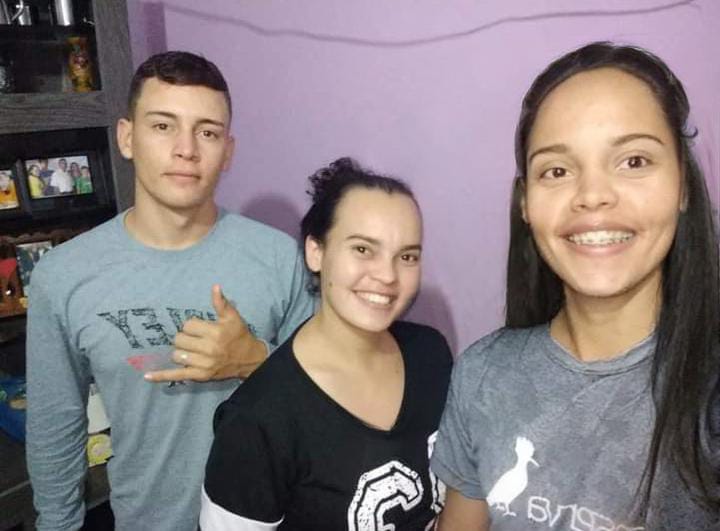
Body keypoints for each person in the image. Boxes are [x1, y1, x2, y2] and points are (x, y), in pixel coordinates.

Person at [431, 42, 719, 530]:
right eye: (557, 171)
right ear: (526, 203)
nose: (592, 195)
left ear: (683, 186)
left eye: (633, 161)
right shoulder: (483, 375)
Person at [25, 51, 314, 531]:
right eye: (163, 126)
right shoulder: (63, 276)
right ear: (127, 137)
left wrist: (256, 360)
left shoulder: (279, 258)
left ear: (228, 151)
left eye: (208, 132)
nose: (186, 149)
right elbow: (55, 427)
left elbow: (326, 403)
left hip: (271, 520)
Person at [201, 158, 453, 530]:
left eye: (407, 256)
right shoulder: (258, 420)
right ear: (315, 251)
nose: (387, 275)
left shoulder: (430, 355)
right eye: (363, 249)